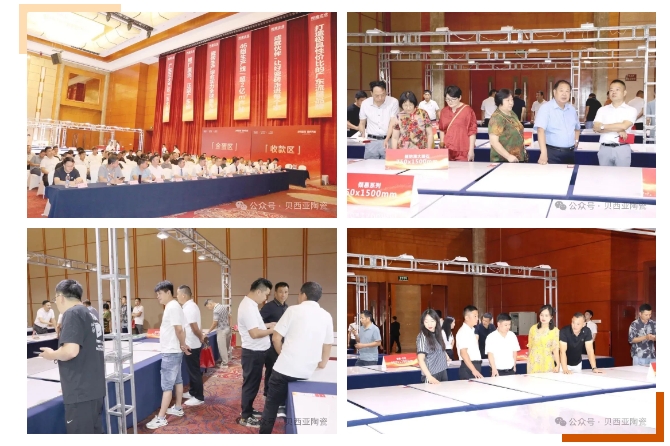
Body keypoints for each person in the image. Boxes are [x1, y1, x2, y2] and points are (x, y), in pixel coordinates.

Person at [259, 282, 333, 434]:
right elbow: (327, 345)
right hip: (307, 372)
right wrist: (322, 363)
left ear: (303, 295)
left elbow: (276, 338)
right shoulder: (326, 316)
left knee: (271, 405)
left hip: (284, 369)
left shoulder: (292, 310)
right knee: (300, 407)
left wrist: (283, 354)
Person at [37, 280, 105, 434]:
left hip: (80, 391)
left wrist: (51, 355)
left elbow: (70, 351)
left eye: (55, 299)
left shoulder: (72, 313)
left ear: (61, 297)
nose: (55, 303)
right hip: (94, 387)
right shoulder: (91, 314)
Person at [146, 281, 190, 430]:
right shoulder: (173, 306)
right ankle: (177, 407)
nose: (158, 297)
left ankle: (160, 417)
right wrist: (182, 345)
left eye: (160, 293)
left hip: (171, 351)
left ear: (168, 292)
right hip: (173, 350)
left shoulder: (172, 307)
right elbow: (179, 329)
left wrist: (183, 345)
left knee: (167, 386)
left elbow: (179, 330)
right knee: (177, 380)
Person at [237, 278, 276, 428]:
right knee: (251, 385)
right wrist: (273, 330)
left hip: (257, 351)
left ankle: (248, 409)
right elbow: (254, 333)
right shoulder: (248, 307)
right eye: (266, 294)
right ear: (258, 291)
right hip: (253, 352)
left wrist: (268, 325)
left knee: (253, 383)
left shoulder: (251, 305)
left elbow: (255, 326)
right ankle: (245, 417)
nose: (266, 298)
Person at [534, 80, 581, 165]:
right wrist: (543, 153)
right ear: (554, 92)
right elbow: (540, 130)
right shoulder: (546, 108)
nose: (564, 94)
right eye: (561, 90)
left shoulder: (572, 110)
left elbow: (577, 128)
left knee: (570, 174)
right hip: (553, 153)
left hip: (570, 153)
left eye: (567, 91)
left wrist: (576, 141)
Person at [593, 79, 638, 167]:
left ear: (624, 93)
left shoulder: (631, 110)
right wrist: (618, 129)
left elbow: (624, 126)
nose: (614, 92)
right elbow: (596, 127)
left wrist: (602, 126)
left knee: (622, 175)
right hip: (605, 149)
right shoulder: (602, 110)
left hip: (622, 148)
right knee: (604, 174)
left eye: (617, 89)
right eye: (611, 90)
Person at [259, 282, 289, 403]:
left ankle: (279, 393)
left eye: (286, 292)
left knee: (281, 369)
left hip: (283, 344)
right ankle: (267, 393)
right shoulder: (268, 307)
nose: (283, 295)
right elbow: (258, 323)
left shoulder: (287, 308)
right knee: (271, 370)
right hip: (270, 344)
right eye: (280, 292)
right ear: (275, 293)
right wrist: (270, 326)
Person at [176, 285, 206, 406]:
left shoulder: (190, 307)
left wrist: (201, 337)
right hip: (190, 343)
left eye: (178, 294)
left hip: (192, 344)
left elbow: (194, 327)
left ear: (183, 295)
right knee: (191, 370)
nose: (177, 297)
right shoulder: (188, 307)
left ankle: (199, 397)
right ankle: (193, 391)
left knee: (194, 371)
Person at [358, 80, 399, 159]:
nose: (380, 98)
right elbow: (362, 122)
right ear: (371, 93)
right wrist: (362, 135)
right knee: (370, 164)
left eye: (383, 95)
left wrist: (387, 139)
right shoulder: (365, 103)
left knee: (388, 164)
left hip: (388, 140)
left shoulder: (393, 102)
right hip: (371, 141)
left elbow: (392, 122)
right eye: (377, 95)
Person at [488, 89, 528, 162]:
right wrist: (508, 156)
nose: (511, 103)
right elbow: (494, 142)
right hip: (503, 160)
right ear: (500, 101)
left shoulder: (512, 113)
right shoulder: (497, 118)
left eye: (512, 100)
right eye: (508, 100)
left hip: (517, 157)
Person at [439, 85, 477, 161]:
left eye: (453, 99)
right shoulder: (444, 111)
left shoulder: (468, 111)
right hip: (447, 149)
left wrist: (471, 150)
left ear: (459, 97)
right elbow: (442, 129)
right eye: (447, 99)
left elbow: (472, 132)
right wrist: (442, 142)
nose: (450, 102)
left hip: (462, 150)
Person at [416, 309, 449, 383]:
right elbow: (420, 359)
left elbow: (440, 349)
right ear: (423, 323)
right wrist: (429, 377)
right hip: (431, 374)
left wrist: (446, 355)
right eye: (426, 322)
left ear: (437, 321)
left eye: (432, 321)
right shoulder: (422, 337)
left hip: (443, 371)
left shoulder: (438, 333)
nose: (429, 324)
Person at [527, 304, 560, 373]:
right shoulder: (533, 328)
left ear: (551, 317)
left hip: (547, 361)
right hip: (533, 361)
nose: (543, 317)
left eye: (546, 315)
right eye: (541, 315)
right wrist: (529, 359)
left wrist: (558, 364)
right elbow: (530, 346)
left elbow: (555, 349)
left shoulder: (555, 331)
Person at [456, 305, 484, 379]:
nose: (477, 318)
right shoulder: (463, 332)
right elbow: (463, 353)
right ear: (467, 318)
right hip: (468, 368)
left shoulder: (472, 330)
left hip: (475, 365)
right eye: (475, 316)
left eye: (477, 316)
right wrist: (474, 370)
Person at [204, 299, 232, 369]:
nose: (209, 309)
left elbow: (215, 323)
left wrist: (209, 331)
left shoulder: (216, 310)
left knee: (222, 348)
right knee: (226, 347)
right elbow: (229, 316)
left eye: (208, 307)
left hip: (221, 330)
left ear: (210, 304)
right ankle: (225, 360)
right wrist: (230, 325)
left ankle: (225, 364)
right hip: (228, 329)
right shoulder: (223, 307)